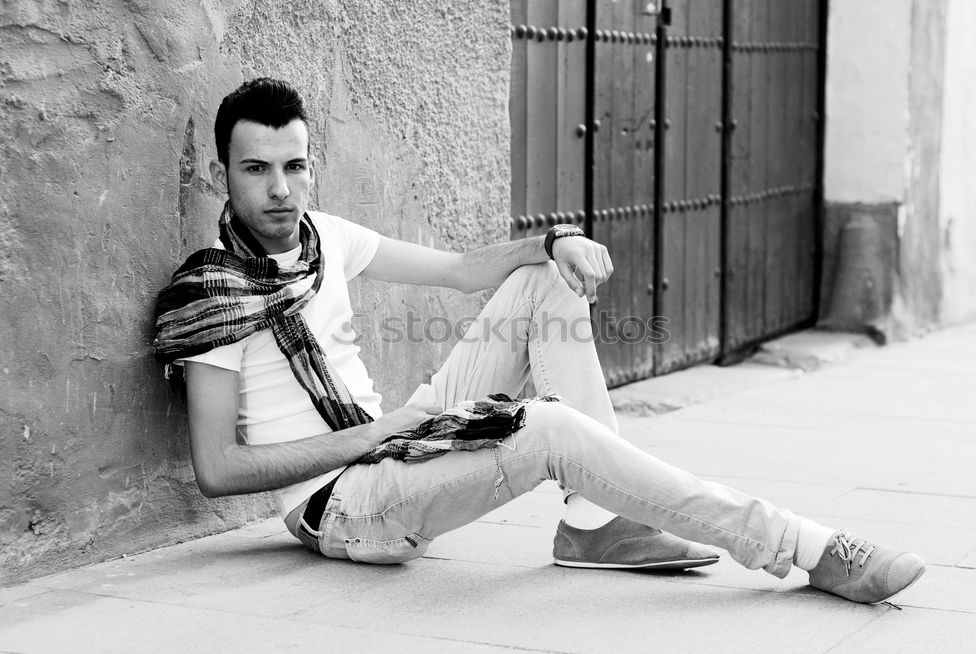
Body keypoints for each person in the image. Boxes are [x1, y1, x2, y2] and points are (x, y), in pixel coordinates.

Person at [153, 77, 925, 604]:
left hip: (393, 447)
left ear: (311, 166)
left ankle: (593, 521)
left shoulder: (326, 237)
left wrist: (553, 240)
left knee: (545, 279)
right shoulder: (210, 296)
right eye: (256, 169)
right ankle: (805, 546)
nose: (280, 190)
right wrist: (379, 435)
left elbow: (461, 271)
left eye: (294, 166)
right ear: (225, 173)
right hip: (345, 506)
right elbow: (218, 470)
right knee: (550, 427)